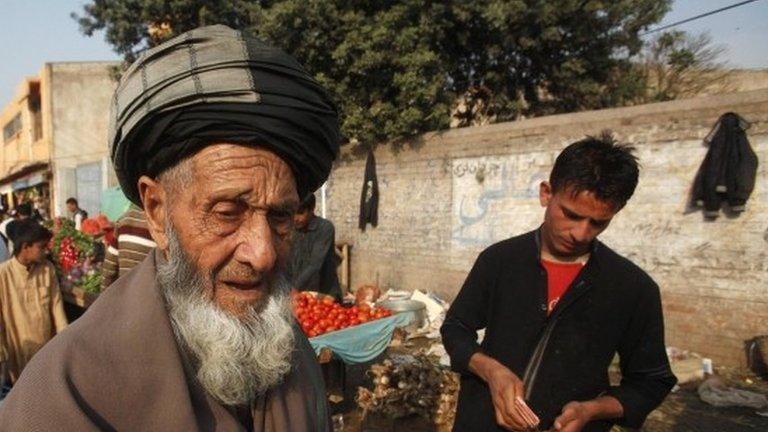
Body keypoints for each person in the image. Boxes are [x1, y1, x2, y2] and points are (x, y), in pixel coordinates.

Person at [0, 25, 340, 431]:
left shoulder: (290, 348)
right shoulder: (64, 398)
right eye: (228, 213)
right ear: (157, 211)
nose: (263, 252)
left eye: (280, 217)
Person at [441, 134, 677, 432]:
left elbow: (651, 381)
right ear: (546, 193)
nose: (581, 233)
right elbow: (455, 329)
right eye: (571, 214)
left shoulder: (632, 288)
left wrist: (592, 410)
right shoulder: (499, 260)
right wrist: (491, 371)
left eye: (598, 223)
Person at [0, 220, 67, 385]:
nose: (45, 251)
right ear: (25, 247)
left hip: (45, 351)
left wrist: (65, 339)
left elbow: (57, 307)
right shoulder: (3, 274)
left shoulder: (47, 269)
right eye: (41, 247)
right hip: (18, 355)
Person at [287, 194, 342, 301]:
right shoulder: (291, 229)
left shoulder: (325, 228)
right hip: (299, 295)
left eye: (300, 213)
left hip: (325, 293)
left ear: (312, 210)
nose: (296, 218)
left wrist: (295, 287)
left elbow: (314, 264)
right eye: (293, 213)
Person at [101, 204, 158, 290]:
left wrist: (104, 294)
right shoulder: (159, 225)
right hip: (149, 296)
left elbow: (109, 265)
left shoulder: (123, 219)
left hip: (125, 294)